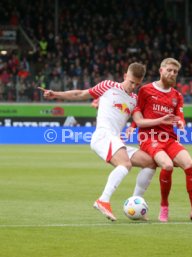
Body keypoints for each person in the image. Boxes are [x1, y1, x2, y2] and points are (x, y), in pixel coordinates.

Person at [39, 62, 175, 221]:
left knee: (150, 162)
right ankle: (103, 200)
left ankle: (134, 202)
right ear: (125, 76)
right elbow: (81, 94)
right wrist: (56, 94)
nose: (133, 86)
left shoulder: (134, 99)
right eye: (131, 82)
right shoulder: (108, 86)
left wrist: (148, 123)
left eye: (137, 84)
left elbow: (139, 119)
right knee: (125, 164)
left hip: (115, 139)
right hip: (103, 136)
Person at [132, 58, 192, 222]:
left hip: (169, 139)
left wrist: (181, 123)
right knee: (166, 165)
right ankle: (164, 207)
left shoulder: (177, 96)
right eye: (169, 70)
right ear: (161, 70)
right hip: (149, 138)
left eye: (175, 72)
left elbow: (180, 116)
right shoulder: (145, 90)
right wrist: (138, 125)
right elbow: (138, 115)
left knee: (190, 165)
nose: (172, 74)